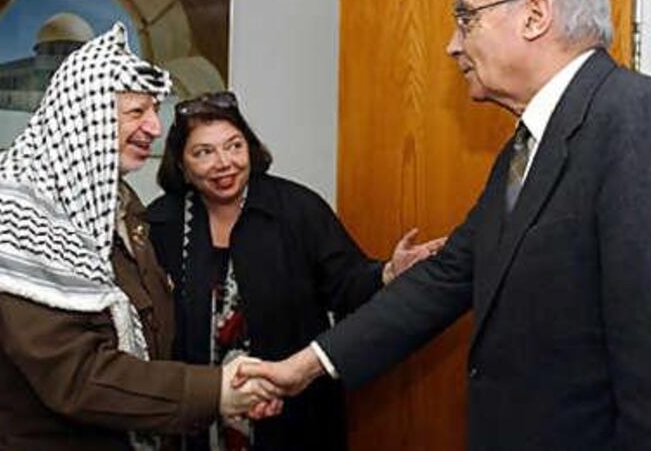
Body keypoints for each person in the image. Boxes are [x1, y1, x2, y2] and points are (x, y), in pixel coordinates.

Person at [236, 0, 651, 449]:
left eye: (466, 18)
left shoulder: (647, 120)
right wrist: (305, 366)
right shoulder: (527, 148)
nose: (451, 45)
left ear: (534, 16)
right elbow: (448, 275)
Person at [0, 23, 279, 450]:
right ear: (88, 114)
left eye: (154, 111)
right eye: (136, 112)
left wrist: (221, 385)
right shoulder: (19, 213)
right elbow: (76, 376)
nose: (155, 128)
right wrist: (214, 391)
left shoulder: (118, 204)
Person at [146, 91, 445, 450]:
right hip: (195, 419)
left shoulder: (296, 209)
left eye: (234, 146)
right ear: (182, 165)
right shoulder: (159, 223)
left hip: (292, 416)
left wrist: (386, 273)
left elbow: (347, 284)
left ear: (250, 148)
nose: (224, 163)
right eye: (203, 152)